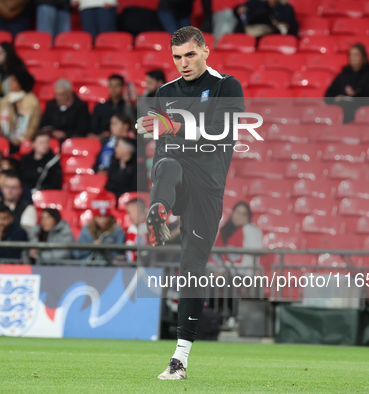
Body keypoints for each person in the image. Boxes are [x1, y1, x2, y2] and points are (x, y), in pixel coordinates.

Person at [136, 26, 244, 379]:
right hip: (178, 175)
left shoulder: (227, 86)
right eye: (177, 57)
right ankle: (159, 211)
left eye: (190, 55)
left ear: (205, 51)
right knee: (165, 162)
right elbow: (164, 146)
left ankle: (179, 359)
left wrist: (170, 125)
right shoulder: (165, 92)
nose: (183, 63)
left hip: (208, 186)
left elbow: (221, 132)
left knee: (192, 266)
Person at [325, 44, 369, 123]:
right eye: (351, 55)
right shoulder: (342, 75)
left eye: (356, 55)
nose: (353, 58)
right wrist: (337, 98)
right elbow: (328, 96)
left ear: (363, 57)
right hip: (340, 108)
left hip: (360, 110)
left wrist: (355, 95)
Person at [0, 69, 41, 151]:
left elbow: (33, 125)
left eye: (13, 80)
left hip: (22, 141)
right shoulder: (6, 99)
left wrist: (21, 139)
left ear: (21, 82)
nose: (10, 82)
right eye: (10, 79)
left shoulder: (31, 101)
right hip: (5, 137)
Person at [212, 201, 263, 269]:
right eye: (237, 212)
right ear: (232, 213)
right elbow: (216, 255)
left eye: (243, 214)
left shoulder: (249, 229)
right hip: (220, 270)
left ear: (248, 217)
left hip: (240, 274)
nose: (239, 216)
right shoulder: (224, 230)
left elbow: (256, 248)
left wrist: (247, 226)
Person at [104, 137, 137, 202]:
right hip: (110, 200)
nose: (115, 149)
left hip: (127, 202)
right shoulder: (114, 165)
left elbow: (133, 190)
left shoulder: (136, 169)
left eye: (117, 146)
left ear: (126, 150)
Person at [124, 197, 147, 262]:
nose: (128, 217)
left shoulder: (151, 229)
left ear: (138, 210)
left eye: (129, 212)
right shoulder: (131, 229)